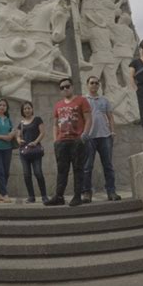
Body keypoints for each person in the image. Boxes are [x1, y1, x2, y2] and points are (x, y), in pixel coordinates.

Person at [45, 78, 92, 207]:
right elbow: (55, 124)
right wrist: (55, 140)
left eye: (67, 86)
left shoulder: (82, 100)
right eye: (62, 87)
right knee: (62, 170)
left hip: (77, 140)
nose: (65, 89)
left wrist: (84, 135)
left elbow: (88, 119)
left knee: (78, 169)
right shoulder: (58, 105)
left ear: (72, 87)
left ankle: (77, 196)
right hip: (62, 142)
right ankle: (59, 196)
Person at [81, 76, 121, 203]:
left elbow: (110, 117)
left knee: (108, 166)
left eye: (96, 83)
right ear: (87, 85)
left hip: (105, 136)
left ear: (99, 85)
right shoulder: (83, 100)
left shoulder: (104, 100)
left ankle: (111, 191)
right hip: (89, 137)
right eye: (91, 83)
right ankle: (87, 192)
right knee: (87, 166)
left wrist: (113, 131)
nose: (94, 85)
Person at [16, 101, 48, 203]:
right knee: (27, 174)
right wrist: (19, 140)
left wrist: (35, 142)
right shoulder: (21, 123)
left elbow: (42, 132)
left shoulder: (37, 119)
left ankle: (44, 196)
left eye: (29, 108)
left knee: (38, 173)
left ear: (32, 109)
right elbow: (17, 136)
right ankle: (31, 197)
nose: (27, 110)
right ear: (23, 111)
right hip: (24, 152)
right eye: (25, 109)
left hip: (35, 151)